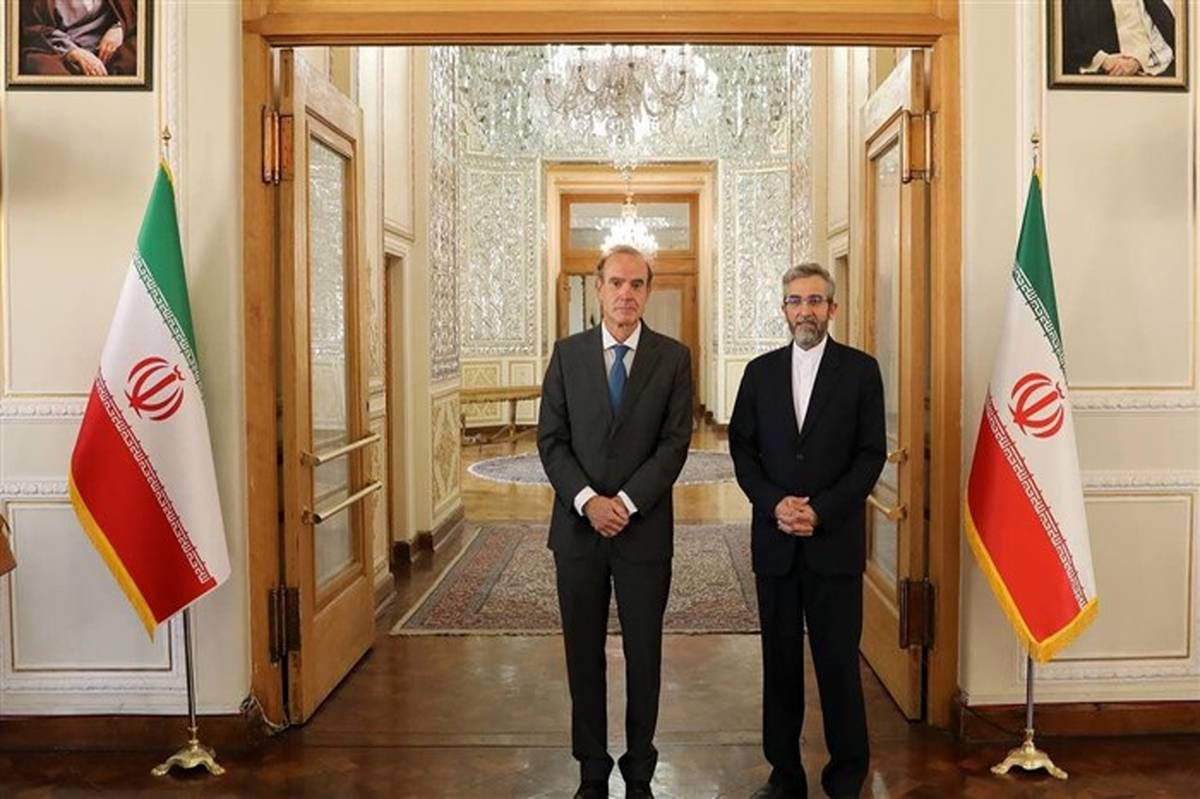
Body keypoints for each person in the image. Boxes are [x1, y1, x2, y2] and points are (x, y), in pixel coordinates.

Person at [537, 244, 693, 799]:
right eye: (617, 283)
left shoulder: (673, 358)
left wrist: (625, 502)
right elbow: (551, 440)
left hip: (643, 532)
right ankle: (592, 769)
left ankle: (640, 770)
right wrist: (588, 501)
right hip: (578, 532)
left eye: (637, 284)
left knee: (644, 654)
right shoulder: (567, 354)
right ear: (599, 288)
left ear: (648, 291)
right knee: (583, 655)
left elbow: (674, 444)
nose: (626, 294)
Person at [729, 263, 886, 799]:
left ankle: (846, 778)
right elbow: (742, 450)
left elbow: (870, 455)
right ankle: (785, 775)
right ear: (784, 310)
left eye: (815, 301)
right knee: (779, 666)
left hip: (833, 543)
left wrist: (820, 511)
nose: (805, 311)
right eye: (795, 301)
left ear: (832, 309)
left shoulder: (861, 371)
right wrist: (775, 504)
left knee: (838, 665)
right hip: (775, 543)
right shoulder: (759, 373)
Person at [19, 0, 138, 77]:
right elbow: (33, 27)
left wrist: (118, 28)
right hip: (61, 52)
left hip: (109, 50)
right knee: (43, 69)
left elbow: (135, 10)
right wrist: (73, 52)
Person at [1062, 0, 1176, 78]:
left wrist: (1137, 62)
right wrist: (1103, 60)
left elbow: (1168, 37)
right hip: (1095, 78)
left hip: (1150, 73)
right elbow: (1063, 36)